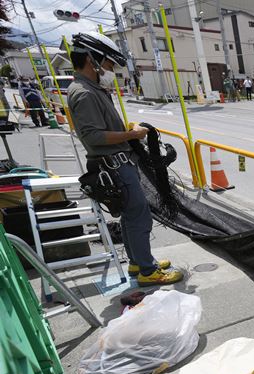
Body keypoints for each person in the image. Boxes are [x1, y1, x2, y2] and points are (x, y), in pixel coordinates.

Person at [67, 32, 183, 286]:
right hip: (114, 166)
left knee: (131, 216)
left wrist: (125, 131)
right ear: (91, 59)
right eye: (108, 63)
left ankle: (137, 262)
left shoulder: (91, 89)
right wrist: (131, 134)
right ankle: (147, 270)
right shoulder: (85, 93)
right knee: (140, 216)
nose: (110, 69)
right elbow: (93, 135)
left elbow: (100, 129)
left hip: (117, 163)